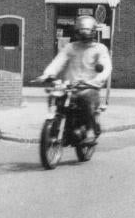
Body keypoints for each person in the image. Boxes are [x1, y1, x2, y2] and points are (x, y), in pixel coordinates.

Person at [40, 15, 111, 143]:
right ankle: (57, 126)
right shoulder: (71, 47)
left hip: (89, 86)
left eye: (87, 31)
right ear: (76, 31)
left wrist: (98, 79)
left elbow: (106, 67)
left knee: (85, 97)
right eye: (80, 31)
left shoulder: (100, 48)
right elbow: (58, 61)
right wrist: (48, 74)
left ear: (93, 31)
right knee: (56, 97)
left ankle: (90, 130)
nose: (83, 34)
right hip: (70, 85)